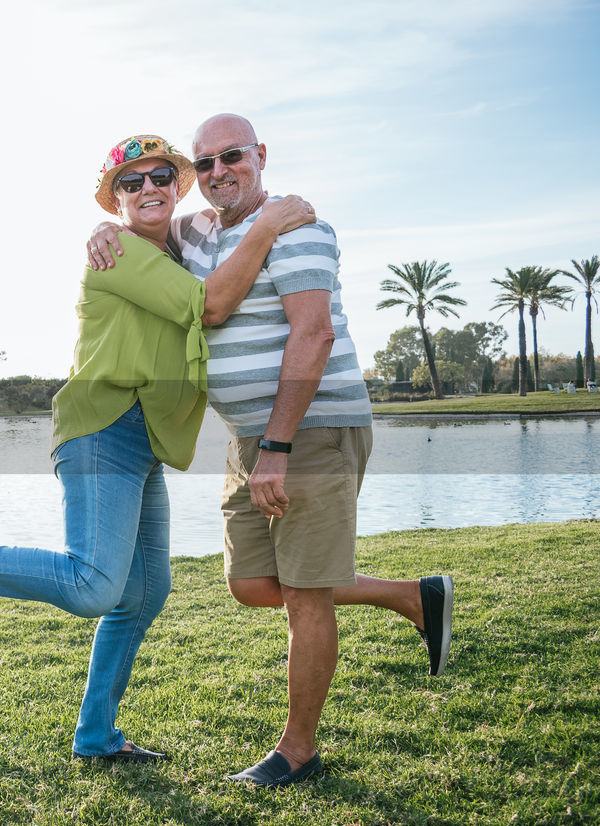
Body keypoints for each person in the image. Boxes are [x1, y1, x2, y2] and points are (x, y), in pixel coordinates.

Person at [0, 134, 315, 763]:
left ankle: (97, 736)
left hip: (143, 435)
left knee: (144, 593)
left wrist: (255, 219)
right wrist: (271, 222)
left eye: (160, 176)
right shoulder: (118, 256)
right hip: (103, 428)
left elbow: (212, 248)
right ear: (114, 199)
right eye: (129, 184)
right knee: (92, 586)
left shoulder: (187, 244)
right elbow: (210, 304)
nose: (147, 190)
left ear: (177, 183)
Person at [88, 114, 454, 787]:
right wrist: (106, 227)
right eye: (204, 162)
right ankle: (412, 596)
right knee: (252, 584)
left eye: (233, 156)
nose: (218, 171)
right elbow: (148, 233)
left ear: (260, 155)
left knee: (306, 595)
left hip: (307, 428)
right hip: (248, 437)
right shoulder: (194, 233)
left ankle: (298, 750)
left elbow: (310, 336)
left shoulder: (299, 229)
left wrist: (279, 446)